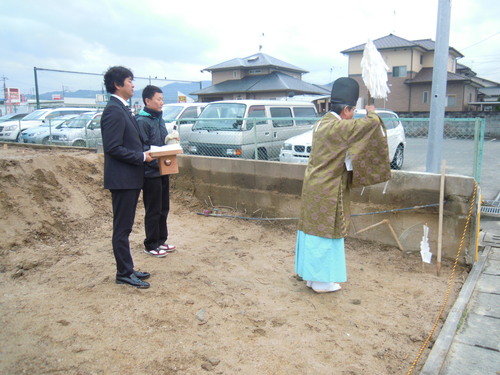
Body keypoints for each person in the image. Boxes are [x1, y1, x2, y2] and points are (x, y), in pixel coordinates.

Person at [295, 77, 392, 293]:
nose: (353, 115)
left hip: (314, 184)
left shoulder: (322, 123)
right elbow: (372, 124)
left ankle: (312, 277)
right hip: (329, 188)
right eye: (353, 111)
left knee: (312, 231)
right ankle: (322, 282)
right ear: (347, 109)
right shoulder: (338, 127)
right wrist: (372, 111)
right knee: (327, 232)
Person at [101, 66, 155, 289]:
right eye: (130, 80)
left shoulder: (123, 109)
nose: (133, 84)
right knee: (122, 228)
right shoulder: (114, 110)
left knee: (126, 227)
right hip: (122, 180)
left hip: (129, 179)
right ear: (118, 84)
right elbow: (113, 148)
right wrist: (141, 156)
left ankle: (128, 268)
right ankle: (123, 272)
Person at [135, 85, 176, 257]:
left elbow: (163, 142)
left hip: (163, 168)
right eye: (158, 99)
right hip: (150, 172)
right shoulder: (141, 121)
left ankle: (161, 240)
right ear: (147, 100)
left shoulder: (160, 119)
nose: (161, 102)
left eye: (162, 99)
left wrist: (172, 141)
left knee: (164, 207)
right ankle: (151, 244)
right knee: (153, 209)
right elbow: (143, 147)